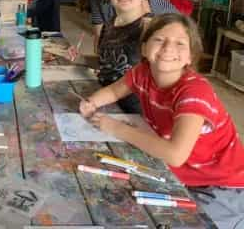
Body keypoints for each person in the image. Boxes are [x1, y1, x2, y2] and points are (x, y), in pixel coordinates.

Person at [79, 13, 244, 228]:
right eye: (159, 40)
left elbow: (175, 154)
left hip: (220, 186)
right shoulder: (143, 72)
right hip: (182, 176)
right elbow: (115, 90)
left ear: (190, 57)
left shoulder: (194, 91)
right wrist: (92, 102)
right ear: (144, 48)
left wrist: (116, 128)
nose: (168, 48)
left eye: (180, 43)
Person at [97, 0, 151, 114]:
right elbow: (106, 64)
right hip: (104, 102)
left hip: (136, 112)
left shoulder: (149, 30)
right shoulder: (108, 24)